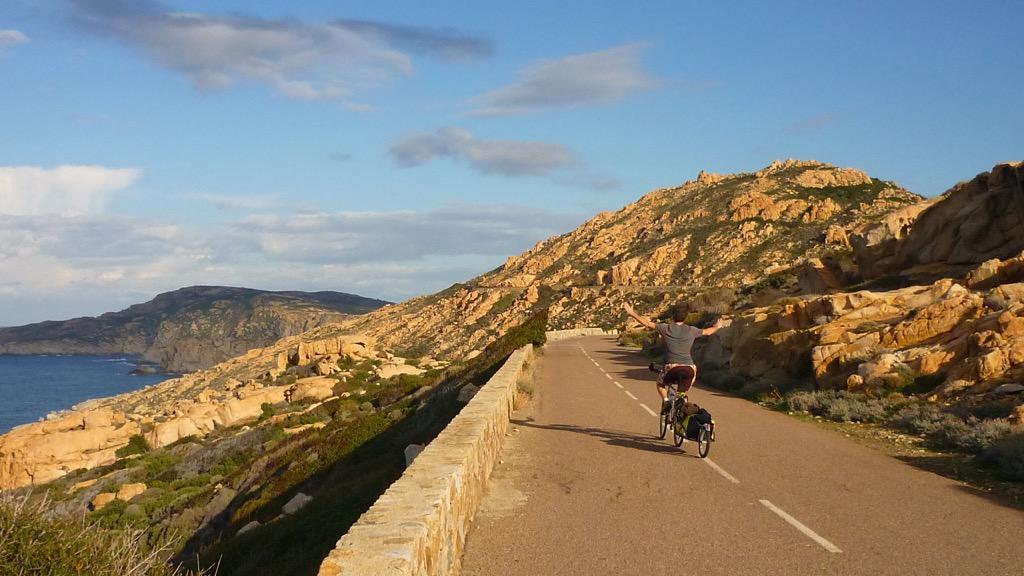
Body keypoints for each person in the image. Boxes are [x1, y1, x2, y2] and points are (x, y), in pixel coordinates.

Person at [621, 302, 726, 414]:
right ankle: (681, 404)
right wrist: (717, 326)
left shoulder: (666, 328)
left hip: (671, 367)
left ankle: (666, 400)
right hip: (689, 368)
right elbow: (708, 332)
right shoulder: (692, 330)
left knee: (660, 383)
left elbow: (647, 323)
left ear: (672, 316)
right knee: (682, 391)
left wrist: (632, 313)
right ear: (685, 317)